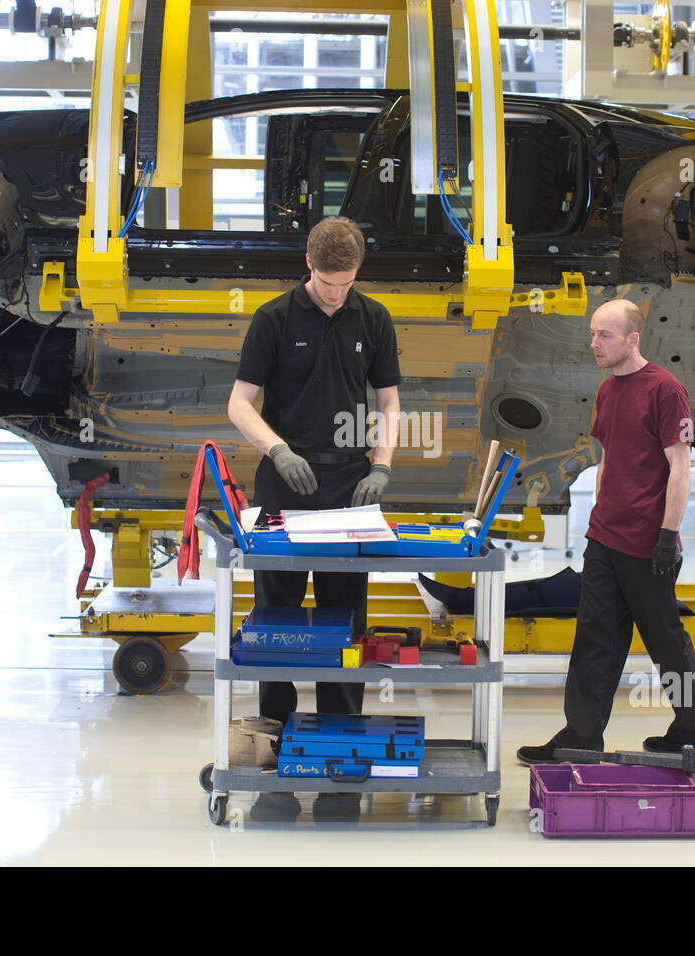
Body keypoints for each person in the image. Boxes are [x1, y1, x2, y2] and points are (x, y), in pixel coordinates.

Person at [228, 216, 401, 821]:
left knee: (345, 622)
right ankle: (276, 763)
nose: (336, 293)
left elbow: (388, 400)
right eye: (328, 281)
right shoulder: (274, 319)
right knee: (275, 619)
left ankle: (339, 765)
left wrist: (380, 465)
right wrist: (276, 450)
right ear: (309, 263)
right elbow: (239, 402)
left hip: (351, 485)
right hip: (285, 481)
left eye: (346, 282)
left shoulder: (373, 318)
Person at [517, 298, 695, 764]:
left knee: (665, 640)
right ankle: (581, 735)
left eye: (604, 335)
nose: (594, 343)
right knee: (595, 637)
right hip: (605, 538)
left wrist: (668, 535)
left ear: (633, 339)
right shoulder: (609, 389)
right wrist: (596, 518)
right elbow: (609, 458)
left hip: (649, 543)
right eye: (592, 334)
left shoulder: (666, 390)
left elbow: (680, 468)